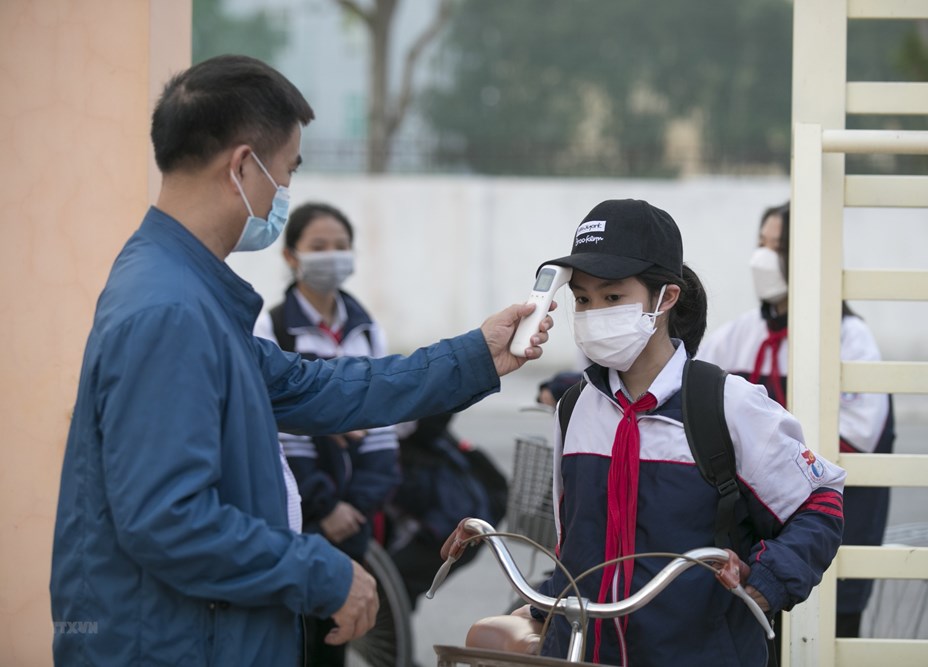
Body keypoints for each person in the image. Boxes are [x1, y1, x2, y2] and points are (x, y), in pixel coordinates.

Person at [49, 54, 554, 667]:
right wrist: (323, 573)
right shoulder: (170, 311)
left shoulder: (188, 292)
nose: (284, 193)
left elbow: (318, 387)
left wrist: (475, 356)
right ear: (242, 166)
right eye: (286, 172)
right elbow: (167, 519)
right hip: (170, 645)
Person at [444, 199, 846, 666]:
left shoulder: (727, 404)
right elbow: (573, 541)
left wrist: (768, 580)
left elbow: (821, 503)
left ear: (666, 298)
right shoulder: (574, 408)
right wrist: (545, 602)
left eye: (612, 298)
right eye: (583, 299)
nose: (593, 313)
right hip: (588, 653)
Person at [697, 201, 894, 644]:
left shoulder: (850, 339)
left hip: (829, 526)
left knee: (830, 640)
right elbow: (682, 383)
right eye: (761, 244)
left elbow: (858, 433)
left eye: (779, 247)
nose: (763, 258)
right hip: (757, 541)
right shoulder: (739, 334)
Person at [253, 202, 402, 666]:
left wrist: (356, 506)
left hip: (353, 523)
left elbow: (381, 430)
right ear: (291, 256)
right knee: (295, 639)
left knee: (334, 642)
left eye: (341, 246)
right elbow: (277, 432)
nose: (332, 256)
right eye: (319, 247)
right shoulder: (272, 327)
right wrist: (325, 505)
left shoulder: (365, 329)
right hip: (302, 519)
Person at [384, 411, 508, 609]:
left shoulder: (407, 426)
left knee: (387, 587)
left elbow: (437, 411)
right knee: (390, 588)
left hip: (447, 525)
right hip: (452, 516)